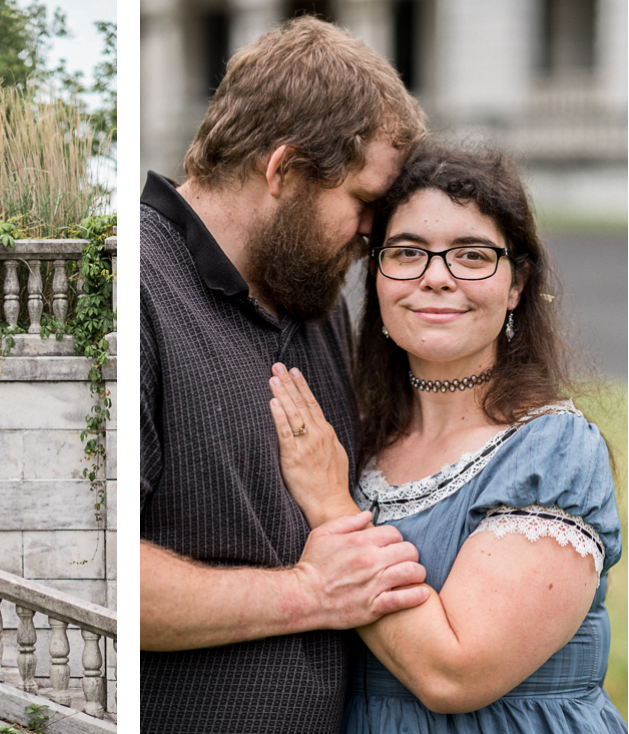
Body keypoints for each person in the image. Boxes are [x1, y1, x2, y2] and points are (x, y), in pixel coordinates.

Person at [269, 143, 625, 732]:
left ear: (516, 284)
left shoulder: (553, 452)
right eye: (407, 253)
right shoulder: (364, 441)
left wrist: (331, 506)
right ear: (378, 278)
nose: (436, 278)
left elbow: (454, 674)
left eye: (472, 255)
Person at [141, 15, 432, 733]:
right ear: (284, 171)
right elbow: (110, 567)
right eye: (364, 203)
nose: (374, 236)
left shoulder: (312, 293)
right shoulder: (137, 289)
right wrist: (308, 592)